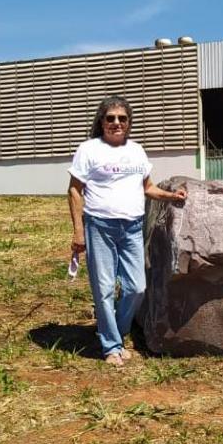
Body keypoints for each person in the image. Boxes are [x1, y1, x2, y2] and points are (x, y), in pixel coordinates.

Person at [67, 96, 187, 366]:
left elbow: (148, 187)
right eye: (110, 118)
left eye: (122, 118)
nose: (116, 123)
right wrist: (78, 231)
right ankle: (111, 346)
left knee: (136, 287)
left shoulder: (136, 151)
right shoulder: (89, 149)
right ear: (102, 121)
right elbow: (75, 190)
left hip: (132, 227)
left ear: (129, 123)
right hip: (100, 226)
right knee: (105, 288)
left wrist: (171, 195)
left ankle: (116, 331)